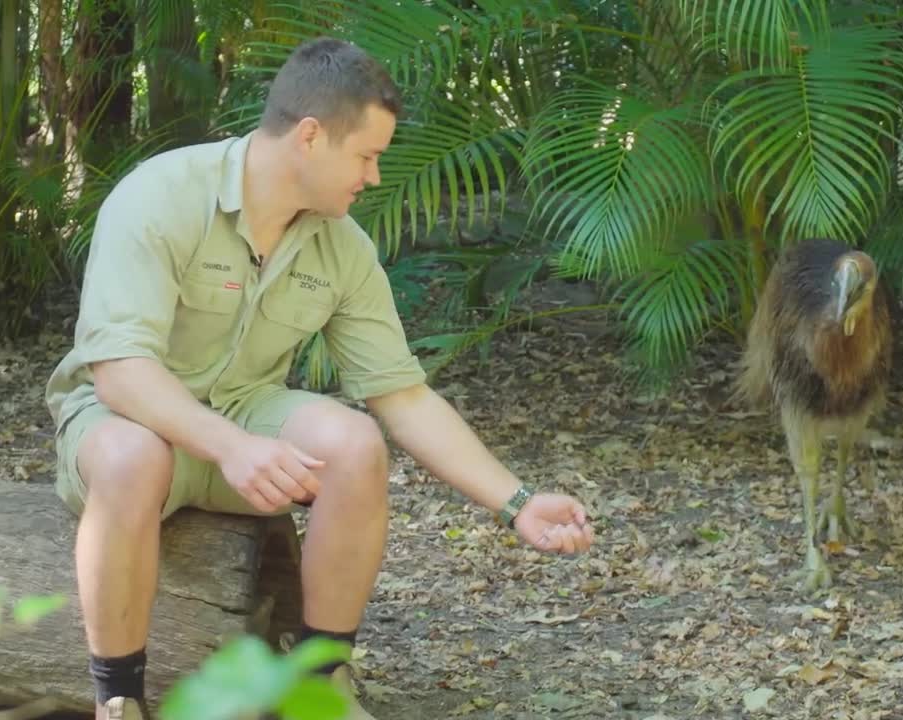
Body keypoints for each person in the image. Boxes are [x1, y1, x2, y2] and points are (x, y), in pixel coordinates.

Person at [44, 36, 596, 720]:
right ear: (310, 137)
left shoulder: (345, 248)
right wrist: (231, 446)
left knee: (356, 442)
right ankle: (118, 697)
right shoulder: (160, 196)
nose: (374, 177)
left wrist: (518, 502)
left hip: (244, 421)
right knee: (133, 455)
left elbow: (404, 396)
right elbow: (120, 375)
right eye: (367, 156)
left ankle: (321, 681)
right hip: (120, 426)